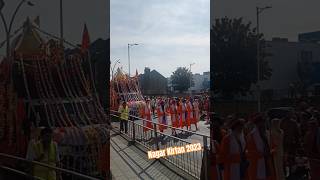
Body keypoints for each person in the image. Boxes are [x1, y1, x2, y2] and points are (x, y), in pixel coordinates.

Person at [246, 114, 276, 180]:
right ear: (257, 124)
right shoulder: (251, 135)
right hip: (257, 163)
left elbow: (273, 146)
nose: (263, 124)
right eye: (261, 122)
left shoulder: (268, 133)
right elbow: (248, 152)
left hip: (268, 161)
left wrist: (271, 151)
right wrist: (261, 154)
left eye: (264, 122)